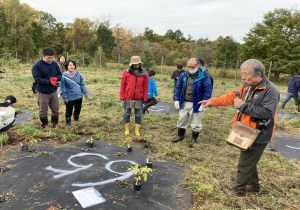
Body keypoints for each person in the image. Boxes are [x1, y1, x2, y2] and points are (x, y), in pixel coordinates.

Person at [200, 59, 280, 196]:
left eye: (246, 74)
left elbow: (267, 112)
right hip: (246, 130)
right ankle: (254, 186)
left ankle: (239, 191)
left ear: (259, 74)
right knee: (250, 161)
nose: (243, 77)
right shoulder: (248, 85)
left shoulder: (270, 91)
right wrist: (212, 101)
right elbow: (232, 97)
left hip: (259, 133)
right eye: (242, 73)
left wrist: (243, 106)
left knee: (245, 162)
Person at [173, 58, 212, 147]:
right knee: (182, 119)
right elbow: (178, 87)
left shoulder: (204, 76)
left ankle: (194, 139)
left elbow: (207, 90)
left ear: (198, 66)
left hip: (197, 103)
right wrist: (177, 99)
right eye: (189, 66)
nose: (190, 68)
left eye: (192, 67)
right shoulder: (184, 75)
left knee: (196, 121)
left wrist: (204, 102)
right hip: (185, 101)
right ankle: (180, 135)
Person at [32, 48, 62, 128]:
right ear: (43, 56)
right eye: (49, 57)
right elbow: (37, 79)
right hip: (43, 92)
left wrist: (56, 78)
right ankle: (44, 125)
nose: (51, 59)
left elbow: (60, 74)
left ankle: (55, 123)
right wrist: (49, 81)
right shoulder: (37, 66)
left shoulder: (54, 64)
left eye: (52, 57)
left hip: (53, 91)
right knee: (43, 110)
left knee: (55, 109)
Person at [120, 56, 148, 137]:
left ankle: (137, 129)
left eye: (137, 64)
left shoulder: (144, 74)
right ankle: (127, 129)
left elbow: (146, 86)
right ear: (131, 64)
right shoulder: (126, 73)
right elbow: (123, 86)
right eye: (134, 64)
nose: (136, 66)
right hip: (128, 97)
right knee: (127, 114)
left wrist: (145, 98)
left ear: (140, 64)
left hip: (139, 98)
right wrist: (122, 98)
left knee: (138, 114)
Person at [60, 60, 88, 126]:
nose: (72, 66)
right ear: (67, 66)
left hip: (79, 96)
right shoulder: (63, 76)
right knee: (69, 111)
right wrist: (64, 97)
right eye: (70, 65)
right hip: (69, 97)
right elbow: (62, 88)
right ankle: (68, 123)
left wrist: (85, 93)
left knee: (78, 109)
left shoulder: (79, 74)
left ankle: (76, 121)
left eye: (73, 65)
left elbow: (82, 84)